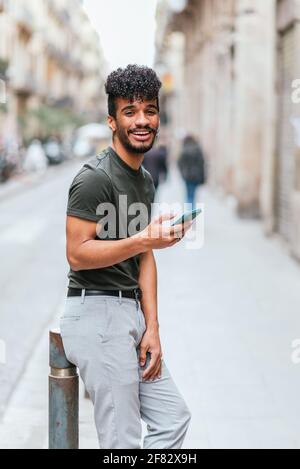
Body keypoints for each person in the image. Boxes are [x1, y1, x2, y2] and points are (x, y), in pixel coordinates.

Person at [61, 65, 192, 449]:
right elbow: (77, 254)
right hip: (96, 315)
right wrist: (142, 239)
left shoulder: (144, 179)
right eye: (130, 112)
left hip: (130, 314)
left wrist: (152, 326)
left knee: (172, 419)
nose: (142, 120)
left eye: (150, 110)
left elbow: (145, 256)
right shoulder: (93, 179)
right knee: (122, 443)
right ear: (112, 121)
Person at [178, 135, 206, 209]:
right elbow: (202, 163)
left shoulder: (185, 149)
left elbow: (180, 163)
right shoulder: (197, 149)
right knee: (193, 194)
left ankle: (189, 211)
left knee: (188, 195)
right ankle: (191, 211)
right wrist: (202, 177)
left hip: (187, 176)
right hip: (196, 176)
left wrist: (183, 173)